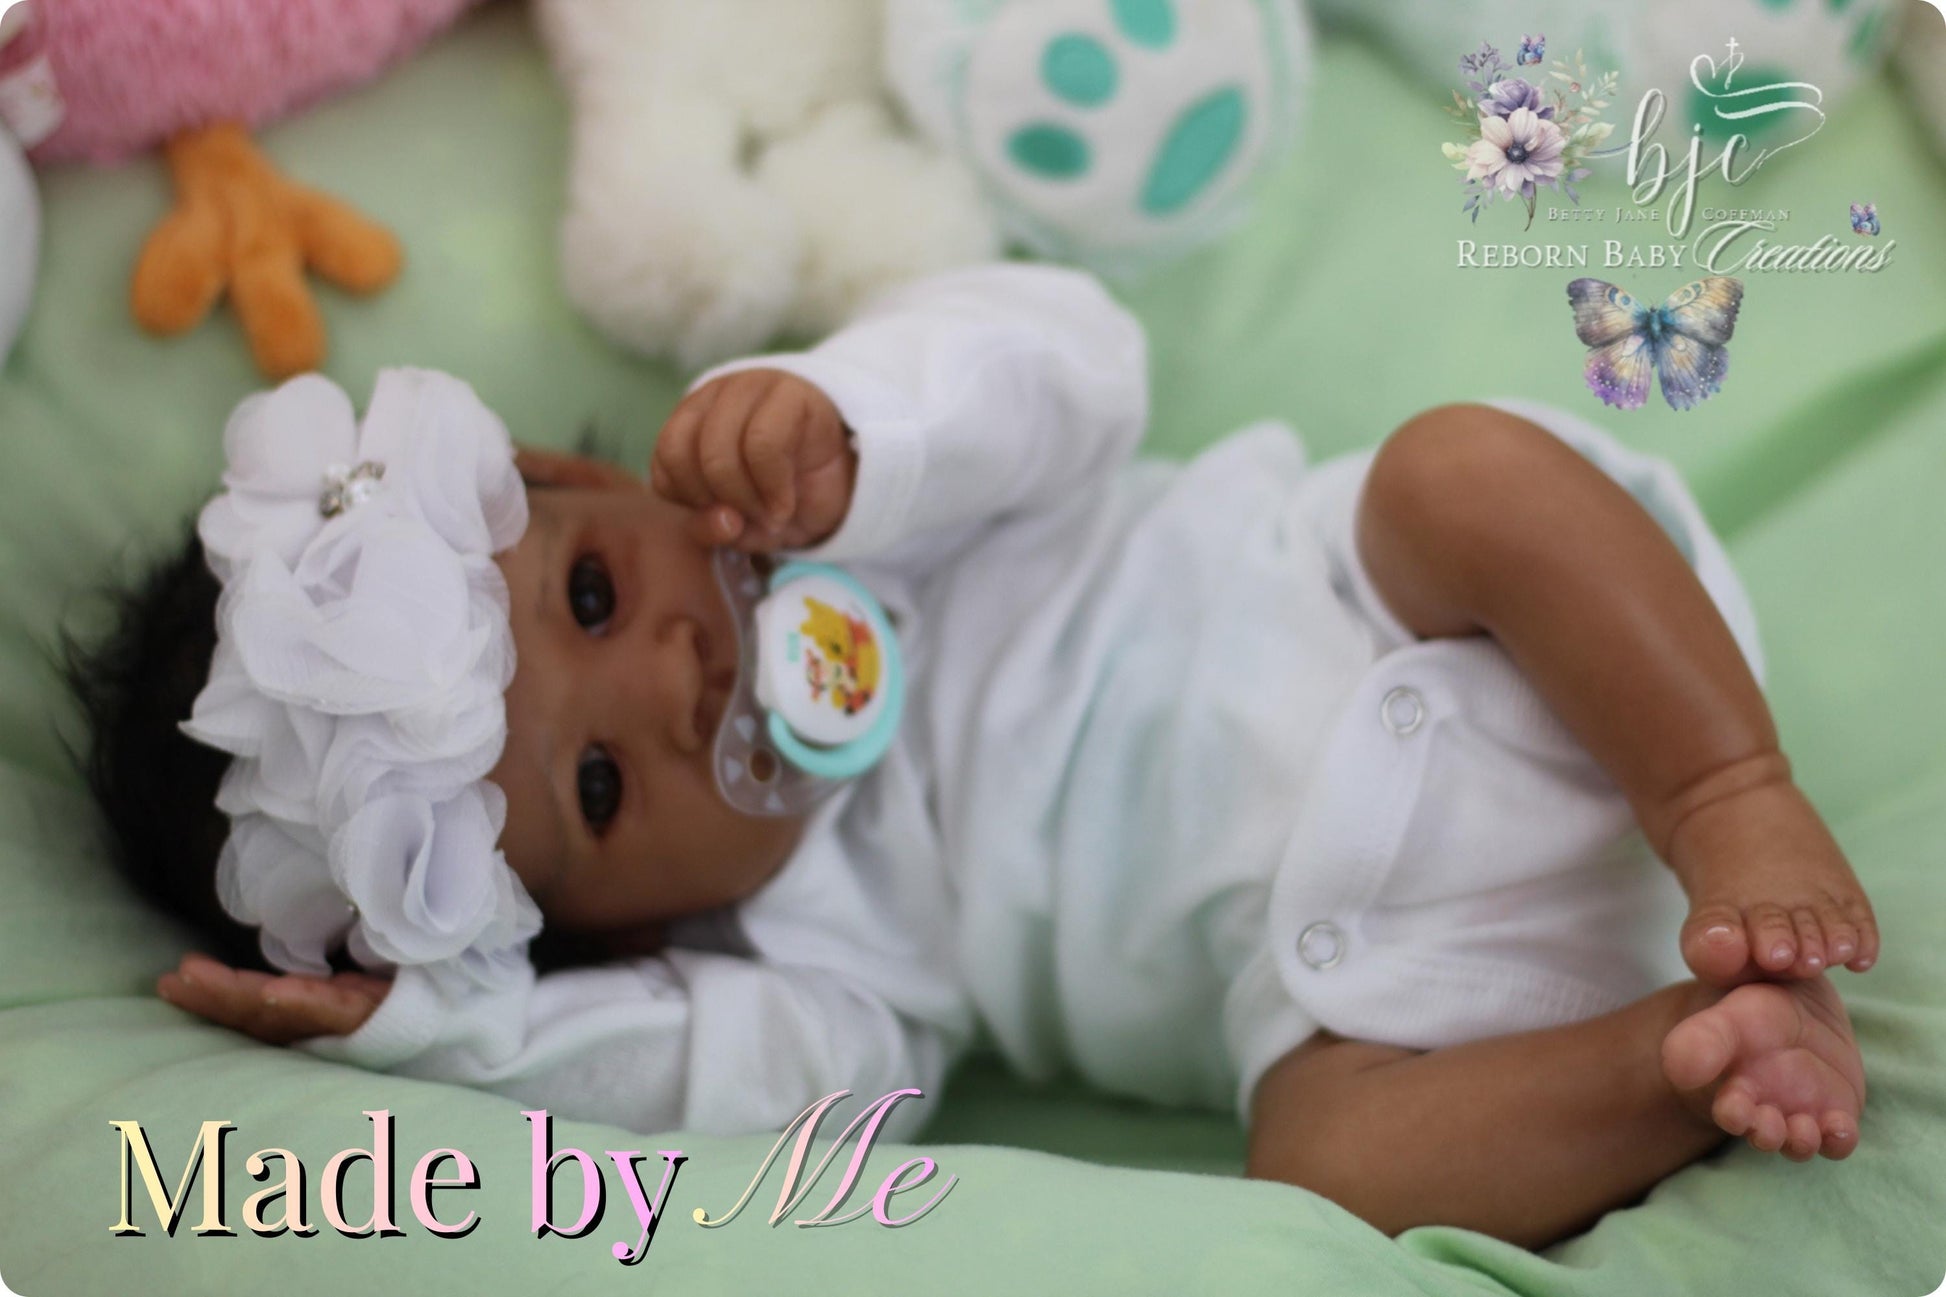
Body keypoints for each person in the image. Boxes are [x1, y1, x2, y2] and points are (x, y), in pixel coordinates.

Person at [70, 263, 1872, 1249]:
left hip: (1511, 647)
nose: (675, 685)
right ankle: (1686, 1051)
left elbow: (1071, 353)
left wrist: (863, 418)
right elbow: (740, 1104)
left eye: (599, 593)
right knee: (1317, 1179)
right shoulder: (828, 962)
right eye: (596, 794)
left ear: (565, 473)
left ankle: (1731, 801)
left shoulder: (866, 493)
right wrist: (442, 1031)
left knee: (1453, 468)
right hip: (1425, 997)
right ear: (588, 937)